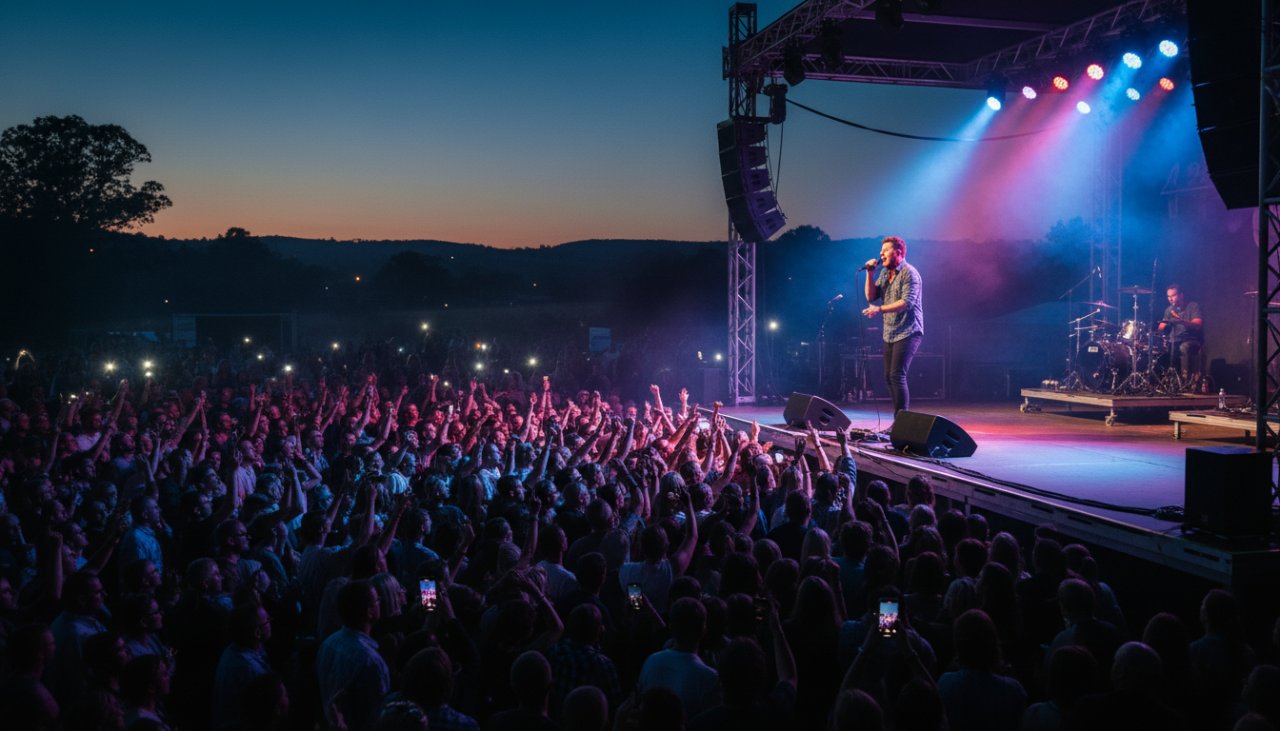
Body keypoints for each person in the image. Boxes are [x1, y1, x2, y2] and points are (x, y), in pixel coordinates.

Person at [862, 235, 924, 414]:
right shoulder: (884, 273)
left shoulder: (909, 273)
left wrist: (879, 309)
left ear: (898, 252)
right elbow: (871, 296)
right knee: (888, 376)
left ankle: (901, 421)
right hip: (890, 332)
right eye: (881, 251)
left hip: (909, 330)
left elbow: (907, 302)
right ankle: (899, 419)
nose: (881, 254)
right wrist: (870, 273)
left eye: (885, 250)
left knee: (897, 375)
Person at [1156, 283, 1203, 378]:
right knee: (1161, 351)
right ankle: (1168, 380)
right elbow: (1161, 327)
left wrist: (1181, 321)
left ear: (1181, 295)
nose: (1170, 299)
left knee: (1183, 347)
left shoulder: (1192, 306)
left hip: (1190, 339)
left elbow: (1198, 324)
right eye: (1168, 296)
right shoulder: (1168, 310)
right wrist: (1159, 327)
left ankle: (1186, 380)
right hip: (1174, 340)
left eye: (1173, 295)